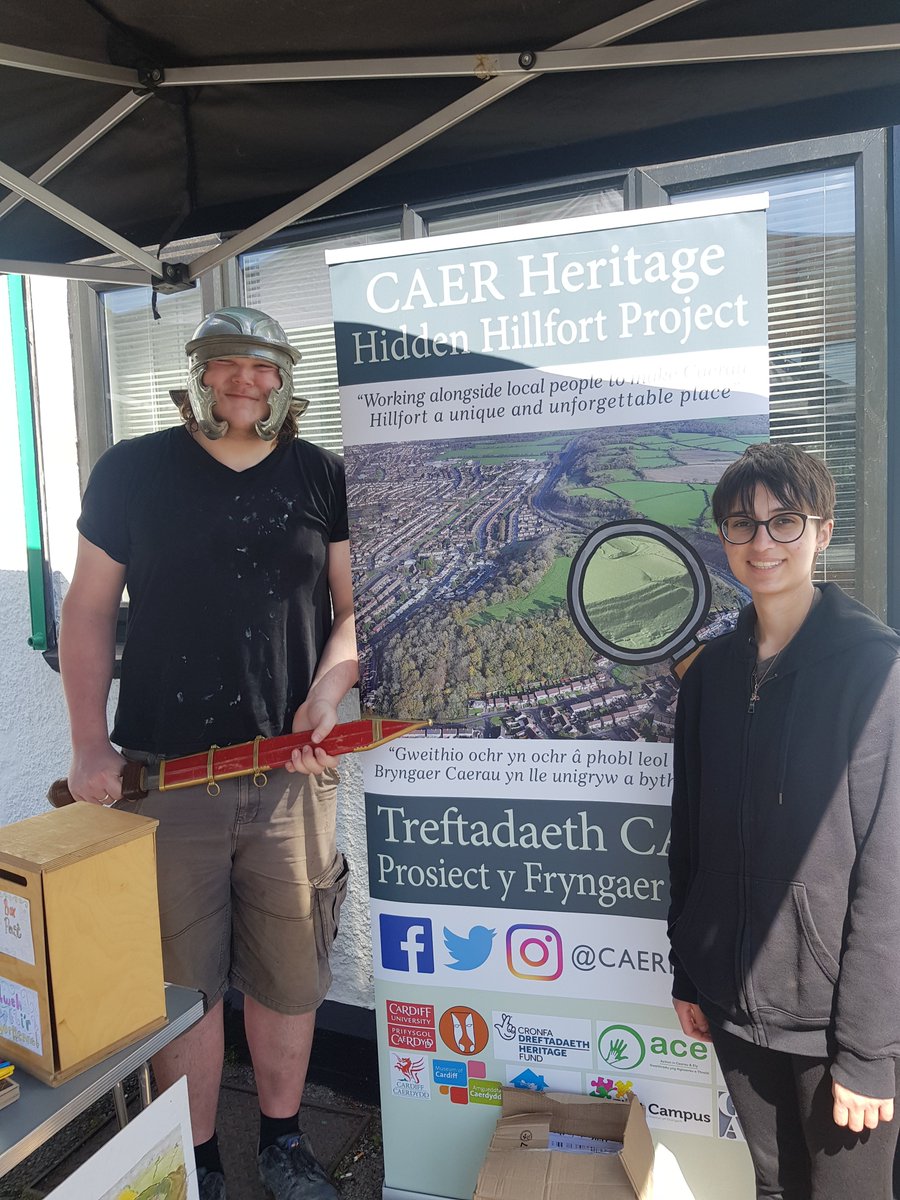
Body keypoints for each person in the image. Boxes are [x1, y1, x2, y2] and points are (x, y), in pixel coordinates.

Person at [58, 307, 358, 1200]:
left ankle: (284, 1141)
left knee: (290, 970)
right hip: (167, 776)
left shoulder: (322, 475)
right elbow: (85, 611)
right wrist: (87, 742)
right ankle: (201, 1161)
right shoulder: (132, 472)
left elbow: (354, 610)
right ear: (195, 371)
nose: (244, 381)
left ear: (284, 380)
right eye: (225, 364)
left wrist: (328, 690)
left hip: (290, 775)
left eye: (262, 367)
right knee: (180, 982)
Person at [667, 442, 900, 1199]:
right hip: (734, 1003)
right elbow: (690, 834)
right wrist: (689, 968)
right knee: (770, 1188)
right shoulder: (710, 677)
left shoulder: (876, 671)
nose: (762, 542)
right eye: (742, 525)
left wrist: (867, 1052)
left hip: (834, 1023)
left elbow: (888, 869)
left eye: (784, 521)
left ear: (824, 532)